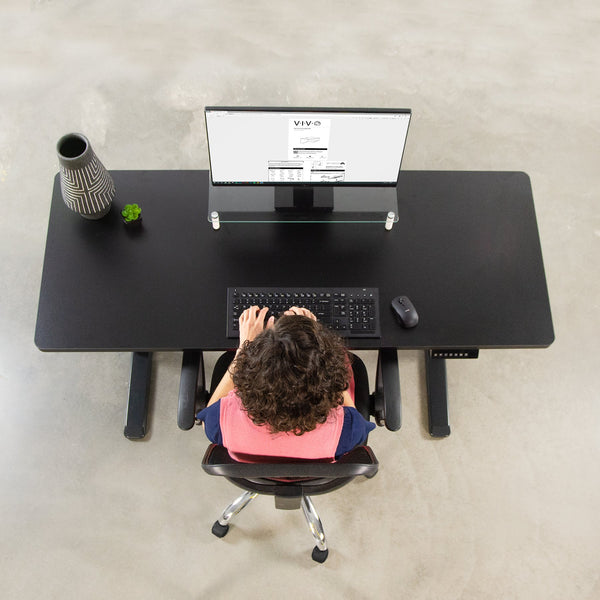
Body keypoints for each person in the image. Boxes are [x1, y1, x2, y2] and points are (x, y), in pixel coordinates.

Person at [196, 306, 375, 461]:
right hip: (313, 475)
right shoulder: (348, 430)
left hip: (255, 474)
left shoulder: (221, 421)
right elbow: (347, 404)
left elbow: (206, 422)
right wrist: (313, 337)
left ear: (251, 375)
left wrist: (243, 350)